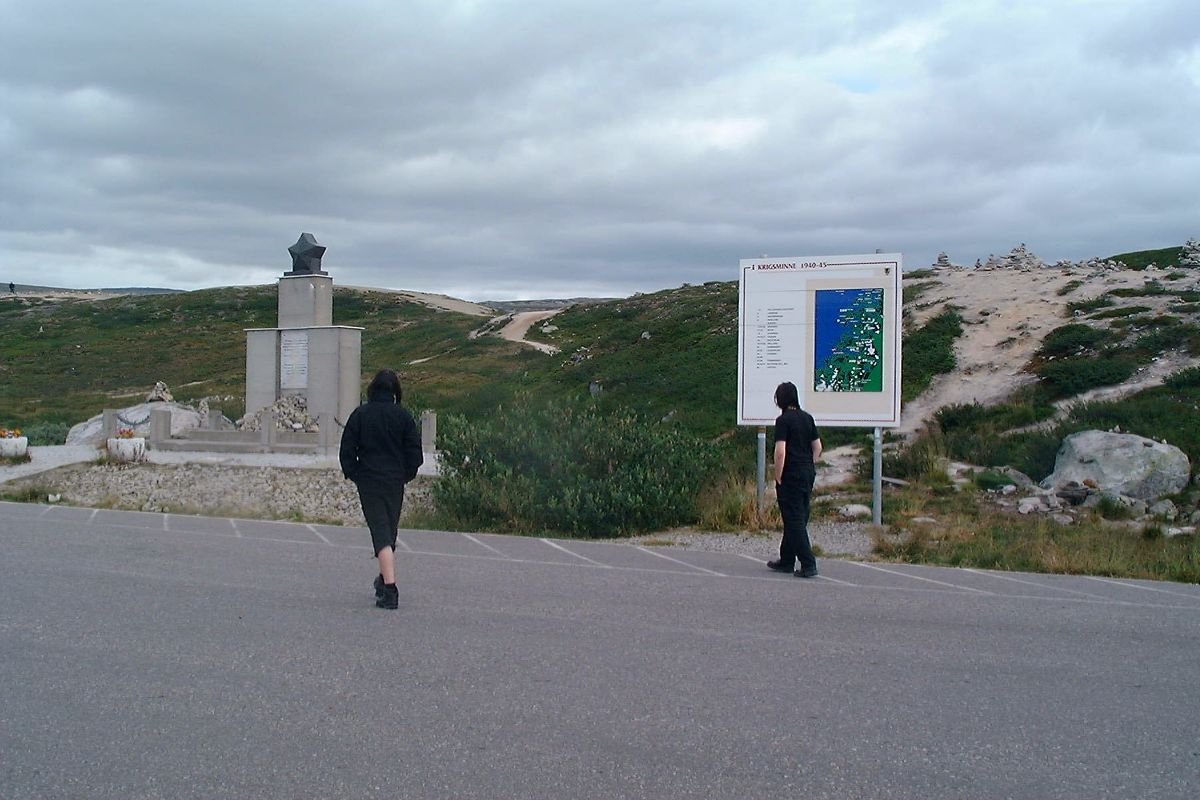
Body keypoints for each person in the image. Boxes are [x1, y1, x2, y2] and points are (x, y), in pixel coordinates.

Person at [339, 369, 424, 609]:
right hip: (395, 480)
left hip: (369, 479)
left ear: (372, 389)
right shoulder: (403, 416)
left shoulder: (360, 415)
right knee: (388, 530)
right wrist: (406, 474)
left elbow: (347, 450)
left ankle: (390, 589)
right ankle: (383, 578)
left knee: (380, 532)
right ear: (395, 391)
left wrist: (355, 474)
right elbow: (414, 452)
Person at [767, 381, 822, 578]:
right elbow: (818, 447)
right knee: (798, 515)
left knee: (793, 519)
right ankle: (787, 560)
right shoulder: (807, 418)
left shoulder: (783, 421)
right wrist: (808, 463)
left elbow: (780, 451)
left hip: (791, 474)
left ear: (780, 400)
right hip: (807, 473)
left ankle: (808, 563)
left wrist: (778, 475)